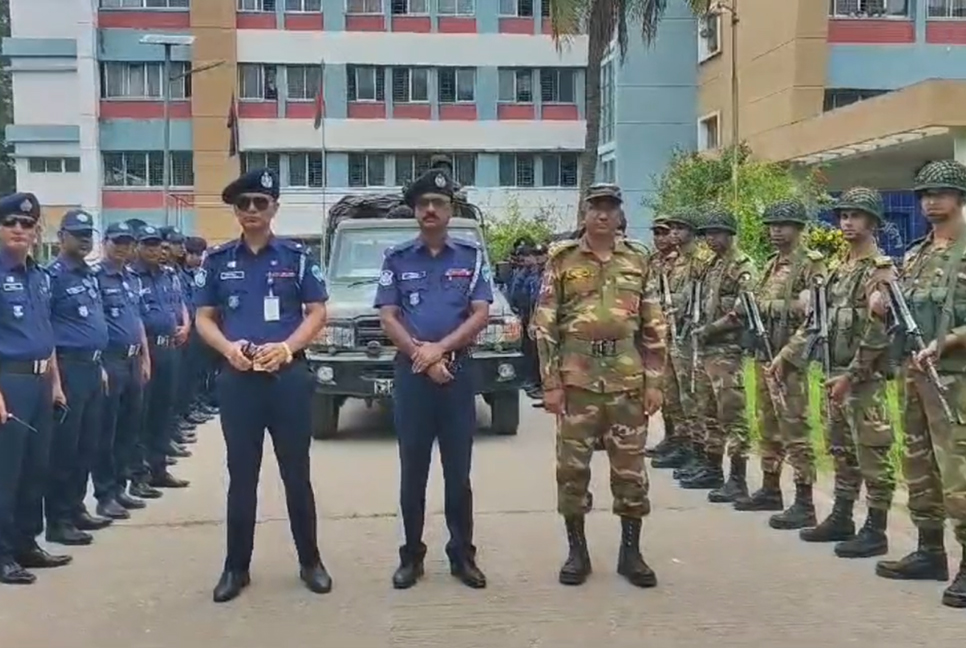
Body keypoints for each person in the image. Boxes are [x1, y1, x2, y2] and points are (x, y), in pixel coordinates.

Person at [195, 168, 331, 603]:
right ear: (235, 211)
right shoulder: (217, 261)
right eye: (244, 204)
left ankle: (310, 561)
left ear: (274, 207)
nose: (252, 210)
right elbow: (204, 318)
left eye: (260, 202)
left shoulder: (296, 257)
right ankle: (236, 568)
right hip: (239, 380)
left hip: (286, 378)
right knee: (241, 476)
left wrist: (288, 349)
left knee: (297, 474)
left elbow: (316, 311)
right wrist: (227, 348)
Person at [531, 183, 666, 588]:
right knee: (572, 471)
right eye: (596, 208)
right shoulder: (563, 260)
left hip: (627, 381)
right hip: (577, 383)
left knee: (631, 472)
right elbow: (544, 325)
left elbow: (654, 325)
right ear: (585, 214)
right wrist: (550, 384)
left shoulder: (639, 260)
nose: (603, 215)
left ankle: (631, 552)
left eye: (610, 208)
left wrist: (655, 382)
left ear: (620, 215)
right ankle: (577, 551)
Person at [374, 169, 493, 590]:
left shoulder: (471, 256)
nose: (430, 209)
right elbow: (388, 316)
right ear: (414, 210)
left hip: (458, 374)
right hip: (412, 376)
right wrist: (422, 356)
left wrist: (440, 350)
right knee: (414, 472)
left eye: (438, 203)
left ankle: (463, 556)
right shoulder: (397, 258)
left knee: (458, 473)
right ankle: (411, 556)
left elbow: (481, 312)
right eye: (423, 203)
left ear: (450, 210)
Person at [772, 187, 895, 557]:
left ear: (872, 222)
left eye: (855, 216)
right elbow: (816, 322)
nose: (847, 222)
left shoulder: (880, 270)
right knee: (840, 449)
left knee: (872, 452)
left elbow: (878, 334)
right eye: (843, 216)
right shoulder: (839, 270)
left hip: (863, 379)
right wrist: (786, 356)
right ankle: (842, 515)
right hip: (833, 372)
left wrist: (851, 376)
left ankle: (876, 528)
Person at [875, 160, 966, 609]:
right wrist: (880, 300)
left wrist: (946, 342)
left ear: (960, 198)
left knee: (959, 473)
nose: (932, 200)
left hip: (956, 380)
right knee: (918, 465)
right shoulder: (915, 253)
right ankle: (930, 550)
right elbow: (899, 311)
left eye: (942, 192)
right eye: (926, 194)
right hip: (914, 374)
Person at [734, 199, 824, 531]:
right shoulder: (772, 264)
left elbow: (814, 318)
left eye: (783, 224)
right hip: (764, 353)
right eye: (772, 224)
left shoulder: (810, 266)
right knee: (767, 425)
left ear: (799, 228)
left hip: (789, 360)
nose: (775, 230)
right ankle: (771, 487)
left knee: (795, 430)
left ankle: (804, 501)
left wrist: (787, 355)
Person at [0, 192, 71, 585]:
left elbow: (47, 334)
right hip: (7, 381)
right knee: (5, 472)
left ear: (37, 230)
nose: (19, 229)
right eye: (11, 222)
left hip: (41, 381)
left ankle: (27, 542)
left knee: (34, 468)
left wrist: (56, 383)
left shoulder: (39, 276)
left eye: (27, 224)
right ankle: (2, 552)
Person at [44, 209, 113, 546]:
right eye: (77, 233)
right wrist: (55, 380)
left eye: (88, 233)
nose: (85, 239)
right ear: (61, 238)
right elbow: (46, 331)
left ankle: (75, 508)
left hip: (91, 367)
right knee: (65, 449)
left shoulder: (88, 274)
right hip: (67, 369)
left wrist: (99, 364)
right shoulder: (52, 277)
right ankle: (57, 520)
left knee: (88, 444)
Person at [679, 209, 756, 504]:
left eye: (716, 233)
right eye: (707, 233)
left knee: (731, 414)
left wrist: (711, 329)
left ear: (730, 233)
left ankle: (738, 478)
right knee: (707, 410)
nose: (711, 238)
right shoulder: (711, 265)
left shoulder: (742, 266)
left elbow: (742, 310)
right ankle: (712, 467)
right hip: (706, 348)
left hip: (727, 349)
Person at [91, 221, 152, 518]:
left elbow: (137, 320)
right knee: (107, 431)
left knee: (129, 427)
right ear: (105, 243)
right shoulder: (96, 278)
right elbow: (93, 325)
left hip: (132, 359)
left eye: (127, 242)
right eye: (117, 242)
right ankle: (105, 494)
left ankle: (119, 487)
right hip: (110, 360)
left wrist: (144, 357)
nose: (123, 247)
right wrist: (100, 363)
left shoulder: (130, 279)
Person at [130, 225, 189, 492]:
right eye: (148, 245)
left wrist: (185, 325)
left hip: (170, 349)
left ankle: (159, 468)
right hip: (147, 350)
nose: (154, 250)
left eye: (156, 245)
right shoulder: (131, 277)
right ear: (138, 247)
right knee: (142, 415)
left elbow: (179, 304)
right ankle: (139, 475)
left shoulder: (167, 276)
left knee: (164, 411)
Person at [643, 215, 684, 464]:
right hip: (658, 334)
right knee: (666, 390)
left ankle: (683, 441)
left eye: (664, 232)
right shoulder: (652, 261)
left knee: (680, 394)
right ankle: (671, 438)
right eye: (656, 233)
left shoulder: (681, 262)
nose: (659, 238)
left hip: (676, 331)